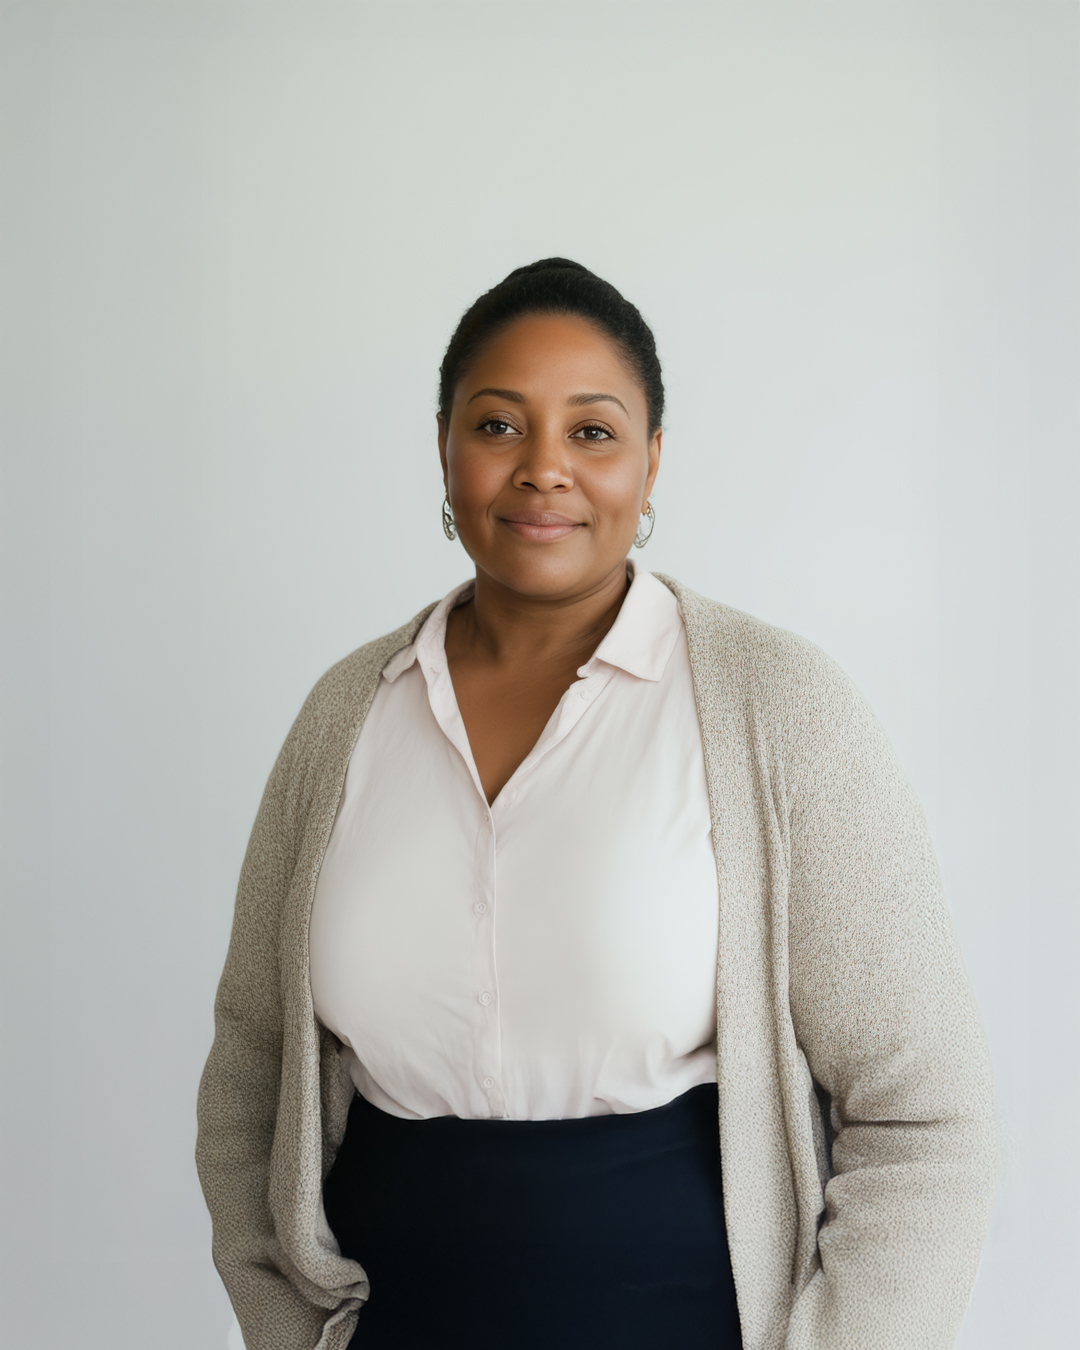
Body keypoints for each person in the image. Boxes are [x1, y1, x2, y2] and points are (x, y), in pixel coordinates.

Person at [196, 259, 998, 1350]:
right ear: (445, 450)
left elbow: (923, 1116)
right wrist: (291, 1327)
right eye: (497, 426)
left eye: (592, 431)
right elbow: (252, 1063)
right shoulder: (347, 714)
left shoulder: (777, 708)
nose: (543, 469)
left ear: (652, 460)